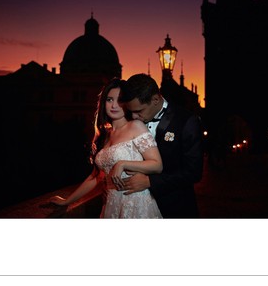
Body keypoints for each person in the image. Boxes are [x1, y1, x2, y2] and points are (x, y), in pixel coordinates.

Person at [51, 78, 164, 218]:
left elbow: (157, 165)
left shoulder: (136, 126)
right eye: (110, 99)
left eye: (120, 100)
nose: (114, 105)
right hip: (111, 205)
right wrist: (67, 201)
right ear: (103, 102)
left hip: (136, 203)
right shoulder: (105, 135)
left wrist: (122, 164)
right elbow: (95, 177)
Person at [117, 74, 203, 218]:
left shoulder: (186, 121)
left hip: (174, 208)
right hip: (135, 208)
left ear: (155, 99)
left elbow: (194, 172)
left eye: (138, 111)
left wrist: (150, 181)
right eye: (131, 111)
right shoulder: (130, 120)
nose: (133, 117)